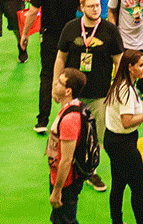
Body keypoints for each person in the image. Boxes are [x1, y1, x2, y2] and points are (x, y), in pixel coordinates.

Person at [55, 0, 122, 191]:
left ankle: (90, 171)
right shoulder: (70, 28)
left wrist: (116, 88)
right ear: (81, 8)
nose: (95, 9)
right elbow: (61, 58)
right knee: (69, 134)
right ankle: (70, 168)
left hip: (100, 94)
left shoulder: (110, 30)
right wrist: (56, 85)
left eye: (98, 5)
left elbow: (119, 62)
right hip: (72, 96)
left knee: (95, 136)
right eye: (91, 6)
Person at [22, 0, 82, 134]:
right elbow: (83, 9)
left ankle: (42, 121)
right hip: (71, 38)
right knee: (72, 77)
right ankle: (72, 117)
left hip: (49, 38)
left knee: (47, 76)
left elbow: (32, 11)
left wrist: (25, 34)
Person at [105, 49, 143, 224]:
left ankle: (117, 221)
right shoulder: (126, 90)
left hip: (114, 140)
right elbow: (127, 121)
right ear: (130, 67)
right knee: (138, 185)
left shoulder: (122, 84)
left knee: (118, 183)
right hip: (123, 144)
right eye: (141, 65)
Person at [46, 68, 93, 224]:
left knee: (64, 220)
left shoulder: (69, 120)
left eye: (60, 82)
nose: (55, 83)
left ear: (68, 91)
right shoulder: (74, 106)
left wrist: (57, 190)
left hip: (66, 181)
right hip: (61, 176)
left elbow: (66, 160)